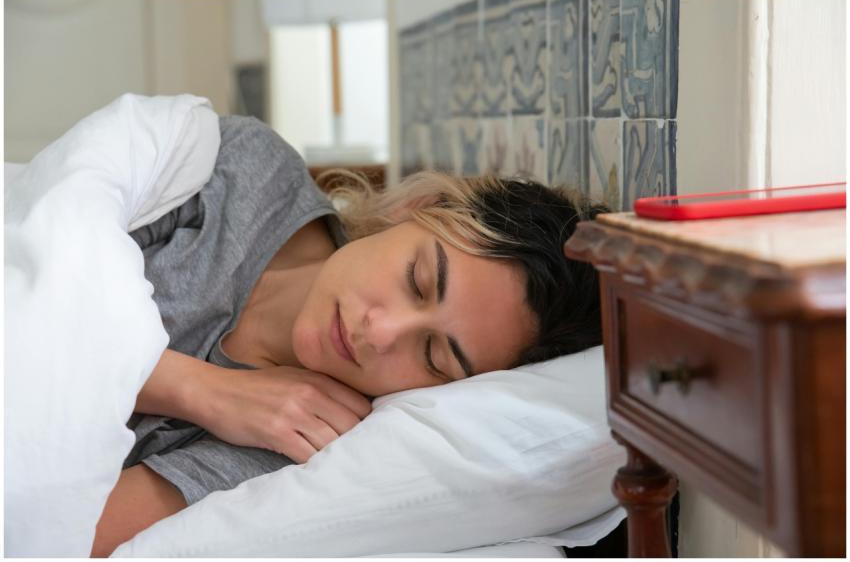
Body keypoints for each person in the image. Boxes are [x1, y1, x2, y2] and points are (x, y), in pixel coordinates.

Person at [91, 115, 606, 556]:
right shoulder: (250, 171)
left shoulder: (297, 440)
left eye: (432, 356)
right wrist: (198, 389)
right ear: (417, 207)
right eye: (418, 280)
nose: (379, 333)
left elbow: (59, 530)